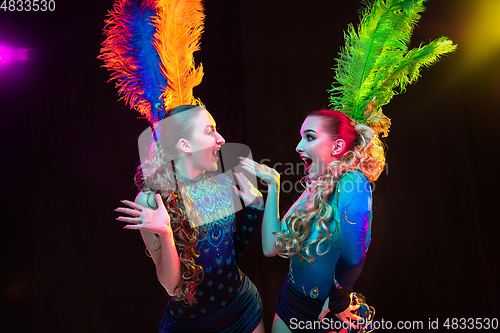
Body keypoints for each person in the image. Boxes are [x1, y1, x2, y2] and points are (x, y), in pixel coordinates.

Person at [116, 105, 266, 332]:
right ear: (185, 145)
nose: (221, 139)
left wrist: (255, 209)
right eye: (209, 131)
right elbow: (172, 286)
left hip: (244, 310)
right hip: (194, 324)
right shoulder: (151, 199)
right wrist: (166, 233)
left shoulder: (221, 183)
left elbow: (231, 255)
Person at [240, 110, 385, 333]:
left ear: (336, 147)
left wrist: (339, 298)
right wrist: (273, 186)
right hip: (289, 306)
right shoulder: (316, 186)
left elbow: (354, 256)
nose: (298, 146)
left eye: (309, 137)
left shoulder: (353, 182)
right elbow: (271, 247)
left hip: (325, 316)